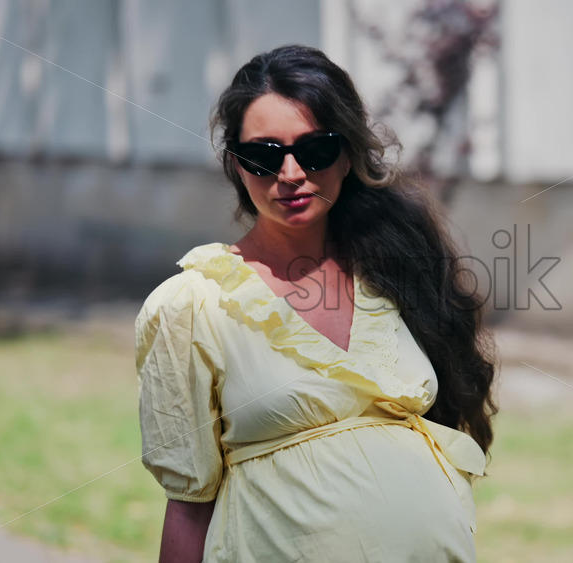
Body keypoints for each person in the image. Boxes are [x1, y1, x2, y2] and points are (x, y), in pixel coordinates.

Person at [135, 44, 499, 562]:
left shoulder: (391, 269)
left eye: (315, 149)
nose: (289, 173)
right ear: (237, 166)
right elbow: (188, 503)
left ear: (347, 155)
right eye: (263, 155)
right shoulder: (192, 304)